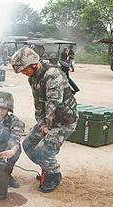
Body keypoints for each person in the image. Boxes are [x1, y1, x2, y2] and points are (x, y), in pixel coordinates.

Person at [11, 47, 78, 193]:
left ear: (34, 64)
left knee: (44, 149)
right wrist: (41, 123)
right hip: (49, 119)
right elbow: (39, 104)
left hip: (65, 121)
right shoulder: (33, 78)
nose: (23, 73)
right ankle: (47, 167)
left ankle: (54, 175)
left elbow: (52, 105)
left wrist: (47, 126)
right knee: (28, 144)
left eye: (24, 69)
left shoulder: (53, 76)